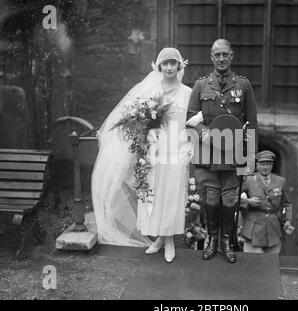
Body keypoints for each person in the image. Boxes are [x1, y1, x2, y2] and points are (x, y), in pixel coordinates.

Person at [92, 48, 202, 263]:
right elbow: (136, 121)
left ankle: (168, 240)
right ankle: (158, 239)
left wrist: (190, 145)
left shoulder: (188, 94)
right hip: (153, 151)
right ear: (159, 67)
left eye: (173, 63)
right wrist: (148, 132)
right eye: (165, 63)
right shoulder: (149, 91)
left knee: (171, 195)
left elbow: (193, 123)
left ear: (180, 66)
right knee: (153, 194)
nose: (169, 67)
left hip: (176, 151)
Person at [186, 39, 258, 263]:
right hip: (208, 151)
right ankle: (211, 240)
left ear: (231, 56)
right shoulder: (201, 85)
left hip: (233, 151)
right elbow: (190, 118)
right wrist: (204, 133)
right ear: (211, 57)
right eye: (217, 55)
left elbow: (252, 123)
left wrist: (251, 158)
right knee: (211, 197)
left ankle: (227, 240)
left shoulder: (243, 85)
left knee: (229, 198)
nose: (221, 59)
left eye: (225, 54)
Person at [240, 150, 293, 254]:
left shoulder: (280, 181)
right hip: (253, 228)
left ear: (272, 165)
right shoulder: (249, 180)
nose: (265, 167)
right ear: (257, 165)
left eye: (268, 164)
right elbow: (233, 198)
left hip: (274, 228)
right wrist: (248, 201)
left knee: (271, 262)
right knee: (253, 262)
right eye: (262, 164)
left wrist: (288, 220)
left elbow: (287, 203)